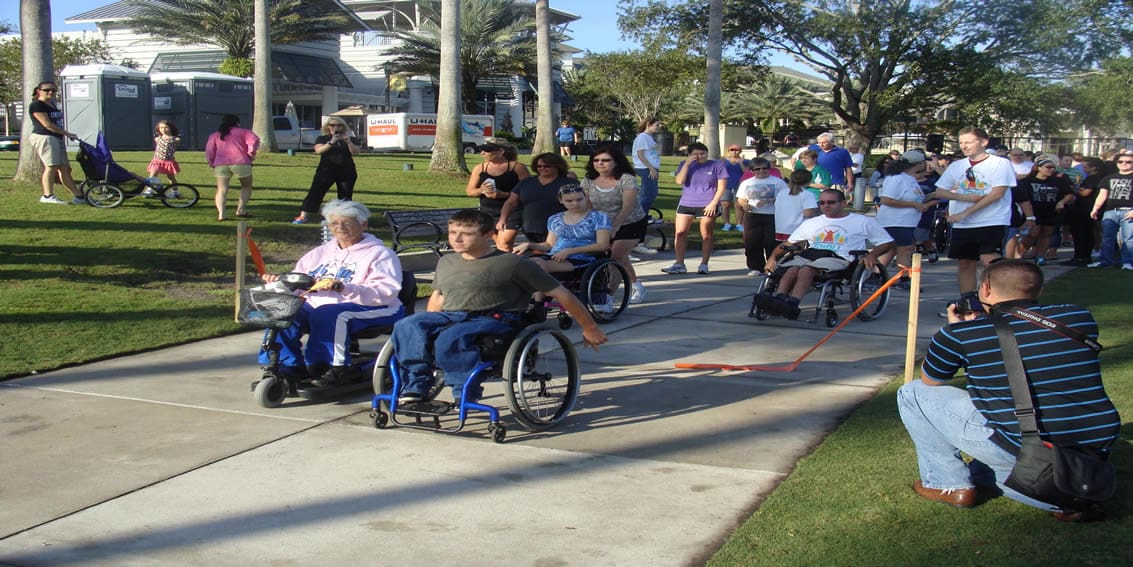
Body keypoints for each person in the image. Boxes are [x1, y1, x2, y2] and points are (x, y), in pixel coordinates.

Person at [897, 259, 1120, 520]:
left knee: (912, 393)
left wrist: (958, 329)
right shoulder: (1078, 317)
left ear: (985, 288)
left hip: (1026, 446)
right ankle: (1067, 492)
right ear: (1038, 289)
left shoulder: (960, 334)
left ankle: (948, 484)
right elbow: (1028, 338)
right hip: (1092, 444)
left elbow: (931, 381)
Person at [391, 210, 608, 404]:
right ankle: (416, 386)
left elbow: (561, 293)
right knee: (407, 325)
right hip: (452, 315)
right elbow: (438, 297)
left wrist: (590, 328)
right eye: (453, 232)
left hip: (496, 318)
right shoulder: (446, 262)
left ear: (488, 235)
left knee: (451, 338)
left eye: (466, 234)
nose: (456, 239)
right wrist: (428, 328)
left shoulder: (514, 263)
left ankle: (464, 391)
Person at [258, 200, 406, 388]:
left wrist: (344, 288)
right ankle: (285, 365)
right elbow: (299, 281)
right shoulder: (319, 253)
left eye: (347, 223)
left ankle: (331, 367)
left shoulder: (380, 254)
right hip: (320, 306)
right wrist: (279, 282)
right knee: (284, 309)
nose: (340, 227)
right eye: (334, 223)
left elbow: (385, 292)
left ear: (363, 225)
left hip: (376, 306)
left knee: (330, 314)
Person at [760, 189, 894, 320]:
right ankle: (779, 300)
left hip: (839, 257)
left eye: (831, 202)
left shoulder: (862, 221)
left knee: (806, 270)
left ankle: (792, 303)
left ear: (843, 203)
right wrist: (772, 258)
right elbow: (788, 243)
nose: (826, 206)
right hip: (812, 254)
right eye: (822, 203)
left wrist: (872, 255)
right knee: (791, 269)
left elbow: (887, 242)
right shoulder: (811, 223)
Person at [925, 126, 1015, 314]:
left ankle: (998, 302)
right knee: (965, 261)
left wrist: (967, 212)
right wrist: (962, 198)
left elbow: (997, 193)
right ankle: (968, 302)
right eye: (961, 142)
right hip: (963, 224)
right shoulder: (957, 166)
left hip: (991, 219)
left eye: (969, 142)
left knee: (989, 259)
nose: (964, 146)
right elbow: (940, 190)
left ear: (983, 142)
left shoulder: (1000, 164)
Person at [579, 145, 649, 304]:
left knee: (616, 257)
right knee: (620, 257)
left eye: (605, 160)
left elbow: (628, 206)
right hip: (603, 223)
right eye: (596, 160)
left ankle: (607, 297)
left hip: (630, 222)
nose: (600, 163)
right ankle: (636, 285)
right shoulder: (588, 180)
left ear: (616, 162)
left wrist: (615, 227)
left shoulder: (626, 179)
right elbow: (586, 205)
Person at [515, 185, 612, 281]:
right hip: (554, 256)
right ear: (561, 200)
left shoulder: (598, 217)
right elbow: (549, 245)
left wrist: (569, 251)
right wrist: (529, 245)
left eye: (579, 199)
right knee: (525, 264)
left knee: (540, 267)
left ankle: (543, 291)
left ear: (586, 198)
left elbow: (602, 245)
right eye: (569, 201)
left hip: (582, 258)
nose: (575, 204)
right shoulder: (555, 218)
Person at [663, 142, 728, 275]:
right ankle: (679, 263)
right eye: (695, 154)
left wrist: (713, 203)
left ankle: (704, 264)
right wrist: (687, 164)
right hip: (687, 202)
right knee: (680, 233)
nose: (699, 156)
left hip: (707, 203)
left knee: (706, 234)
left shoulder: (716, 165)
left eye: (702, 153)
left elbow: (721, 187)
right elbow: (679, 181)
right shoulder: (684, 164)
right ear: (689, 155)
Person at [875, 152, 938, 289]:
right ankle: (901, 278)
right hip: (894, 221)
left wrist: (931, 197)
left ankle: (877, 276)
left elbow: (914, 198)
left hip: (906, 222)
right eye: (924, 162)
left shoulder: (910, 179)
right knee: (905, 248)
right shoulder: (897, 178)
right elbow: (886, 200)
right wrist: (915, 205)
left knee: (895, 249)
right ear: (918, 164)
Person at [291, 117, 360, 224]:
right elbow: (319, 150)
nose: (336, 127)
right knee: (316, 192)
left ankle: (343, 218)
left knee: (345, 195)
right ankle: (303, 216)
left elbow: (355, 152)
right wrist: (331, 142)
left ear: (343, 127)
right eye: (332, 125)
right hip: (326, 170)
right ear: (327, 127)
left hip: (347, 170)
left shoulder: (350, 139)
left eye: (339, 125)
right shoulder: (322, 139)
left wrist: (349, 142)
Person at [465, 140, 529, 251]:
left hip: (512, 211)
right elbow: (469, 191)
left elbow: (529, 191)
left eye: (487, 150)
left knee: (504, 243)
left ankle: (509, 261)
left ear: (500, 152)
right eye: (481, 150)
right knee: (500, 244)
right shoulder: (480, 168)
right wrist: (481, 190)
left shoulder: (517, 168)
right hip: (488, 211)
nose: (482, 153)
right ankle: (510, 261)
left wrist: (504, 194)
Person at [27, 81, 85, 205]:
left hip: (56, 137)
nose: (51, 92)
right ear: (39, 91)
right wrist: (67, 133)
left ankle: (79, 197)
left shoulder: (52, 104)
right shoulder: (36, 105)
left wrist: (63, 134)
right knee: (51, 166)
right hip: (45, 137)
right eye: (47, 90)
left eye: (53, 90)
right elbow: (47, 125)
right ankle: (47, 196)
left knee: (65, 168)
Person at [498, 152, 572, 244]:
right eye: (539, 166)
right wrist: (503, 219)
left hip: (559, 227)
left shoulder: (568, 183)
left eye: (547, 166)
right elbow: (511, 202)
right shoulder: (526, 182)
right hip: (531, 227)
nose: (542, 168)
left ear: (557, 166)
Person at [736, 157, 788, 276]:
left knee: (771, 242)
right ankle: (756, 267)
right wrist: (744, 205)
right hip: (752, 215)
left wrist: (769, 200)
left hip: (772, 215)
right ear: (752, 171)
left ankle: (772, 266)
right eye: (757, 169)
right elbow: (741, 198)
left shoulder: (778, 182)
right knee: (752, 242)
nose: (761, 171)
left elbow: (785, 198)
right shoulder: (747, 183)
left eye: (764, 168)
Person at [1017, 157, 1074, 265]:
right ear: (1039, 168)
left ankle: (1040, 256)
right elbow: (1021, 197)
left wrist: (1062, 202)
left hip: (1051, 211)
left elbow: (1069, 194)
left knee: (1046, 234)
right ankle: (1018, 255)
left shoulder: (1058, 181)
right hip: (1034, 211)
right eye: (1048, 167)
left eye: (1053, 167)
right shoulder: (1028, 181)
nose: (1051, 169)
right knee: (1032, 234)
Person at [204, 114, 260, 221]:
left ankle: (221, 214)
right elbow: (253, 141)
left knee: (221, 189)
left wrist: (211, 162)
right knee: (246, 186)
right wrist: (251, 153)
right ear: (237, 123)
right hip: (241, 162)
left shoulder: (215, 135)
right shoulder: (244, 132)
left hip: (220, 164)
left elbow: (209, 151)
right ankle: (241, 210)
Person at [1087, 152, 1133, 270]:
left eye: (1128, 162)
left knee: (1128, 238)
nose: (1124, 164)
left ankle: (1127, 262)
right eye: (1121, 161)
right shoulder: (1109, 178)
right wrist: (1095, 208)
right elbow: (1102, 195)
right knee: (1107, 238)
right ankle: (1105, 262)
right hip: (1110, 211)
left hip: (1129, 210)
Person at [1063, 157, 1104, 266]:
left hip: (1084, 209)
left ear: (1094, 167)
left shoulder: (1093, 178)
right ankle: (1082, 256)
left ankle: (1081, 257)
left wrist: (1074, 188)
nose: (1083, 169)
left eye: (1085, 166)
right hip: (1085, 209)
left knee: (1082, 234)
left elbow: (1085, 192)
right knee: (1084, 233)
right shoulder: (1093, 177)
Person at [773, 169, 819, 245]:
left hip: (780, 229)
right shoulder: (808, 194)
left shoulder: (781, 193)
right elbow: (808, 214)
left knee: (783, 250)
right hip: (798, 230)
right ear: (808, 181)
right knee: (797, 251)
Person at [632, 117, 663, 214]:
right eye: (657, 125)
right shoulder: (643, 137)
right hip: (645, 168)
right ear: (648, 125)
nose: (659, 126)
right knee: (649, 193)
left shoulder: (649, 137)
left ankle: (642, 214)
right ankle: (641, 216)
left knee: (649, 193)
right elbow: (640, 155)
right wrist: (651, 168)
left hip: (650, 168)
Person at [143, 120, 181, 196]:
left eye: (166, 127)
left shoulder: (176, 139)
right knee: (152, 175)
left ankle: (175, 192)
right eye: (161, 128)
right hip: (157, 161)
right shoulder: (157, 139)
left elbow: (174, 148)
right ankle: (149, 190)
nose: (163, 129)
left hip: (168, 161)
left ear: (170, 128)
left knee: (170, 177)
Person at [720, 144, 750, 231]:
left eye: (736, 150)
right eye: (732, 150)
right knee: (725, 204)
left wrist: (740, 163)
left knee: (738, 205)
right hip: (726, 185)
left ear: (740, 151)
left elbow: (747, 173)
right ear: (728, 151)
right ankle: (727, 223)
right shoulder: (723, 161)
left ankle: (739, 224)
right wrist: (722, 163)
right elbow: (720, 172)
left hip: (739, 186)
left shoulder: (746, 161)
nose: (734, 152)